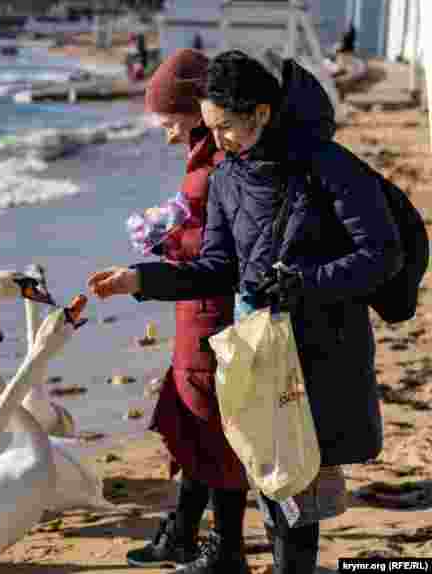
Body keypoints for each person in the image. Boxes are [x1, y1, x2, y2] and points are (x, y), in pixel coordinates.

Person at [88, 50, 403, 574]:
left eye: (226, 127)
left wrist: (305, 283)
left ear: (260, 112)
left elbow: (381, 255)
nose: (218, 141)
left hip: (323, 351)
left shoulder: (327, 165)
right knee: (274, 478)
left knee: (298, 487)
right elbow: (216, 267)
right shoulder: (229, 177)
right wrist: (141, 280)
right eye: (210, 128)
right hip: (261, 349)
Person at [122, 49, 251, 574]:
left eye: (171, 121)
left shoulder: (215, 166)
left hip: (210, 314)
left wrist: (164, 249)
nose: (168, 134)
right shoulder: (204, 158)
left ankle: (226, 551)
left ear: (198, 111)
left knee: (213, 429)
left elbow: (221, 252)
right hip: (195, 309)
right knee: (193, 424)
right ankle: (183, 533)